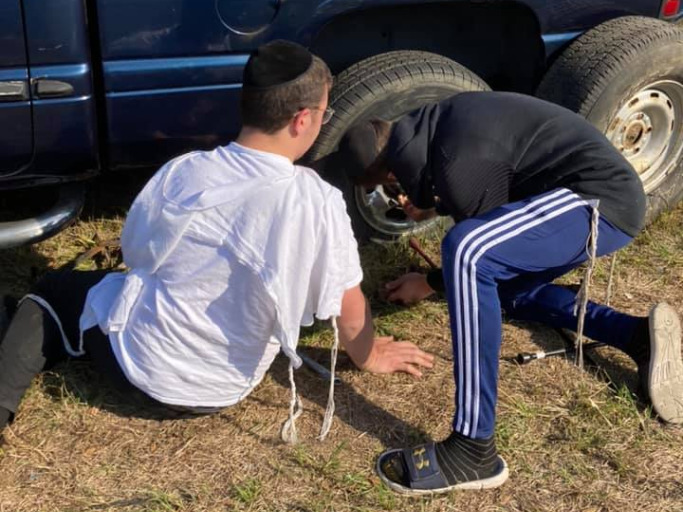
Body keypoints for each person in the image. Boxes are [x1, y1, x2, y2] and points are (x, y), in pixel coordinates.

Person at [0, 40, 434, 439]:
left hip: (137, 369)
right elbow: (348, 310)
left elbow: (137, 257)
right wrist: (370, 357)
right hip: (224, 387)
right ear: (302, 119)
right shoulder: (317, 201)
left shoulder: (183, 171)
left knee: (56, 290)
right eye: (325, 113)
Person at [338, 91, 683, 495]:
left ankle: (472, 449)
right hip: (582, 192)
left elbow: (478, 247)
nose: (397, 195)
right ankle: (634, 335)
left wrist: (429, 283)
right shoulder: (438, 127)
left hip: (599, 202)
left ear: (393, 172)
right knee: (498, 289)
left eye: (388, 186)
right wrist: (435, 208)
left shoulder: (454, 164)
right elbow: (491, 179)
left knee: (466, 252)